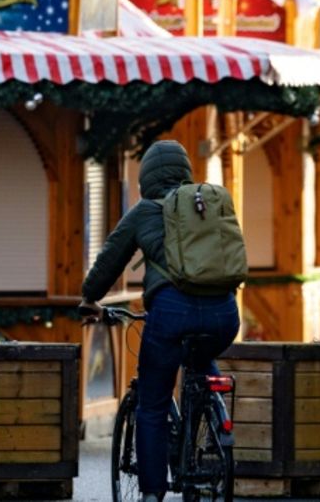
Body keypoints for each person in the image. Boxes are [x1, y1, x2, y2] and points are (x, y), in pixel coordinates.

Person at [80, 140, 241, 502]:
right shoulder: (208, 206)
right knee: (200, 366)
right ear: (185, 172)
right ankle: (211, 431)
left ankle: (152, 494)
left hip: (171, 312)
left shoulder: (145, 211)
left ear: (146, 178)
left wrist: (89, 297)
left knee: (152, 402)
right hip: (224, 314)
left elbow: (110, 260)